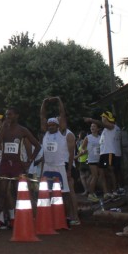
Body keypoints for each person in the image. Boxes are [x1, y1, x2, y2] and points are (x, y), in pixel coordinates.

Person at [39, 97, 79, 226]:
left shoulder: (63, 133)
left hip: (62, 166)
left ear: (58, 126)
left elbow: (62, 114)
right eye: (49, 125)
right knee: (50, 192)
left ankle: (73, 216)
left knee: (67, 193)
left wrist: (58, 101)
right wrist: (44, 103)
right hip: (48, 167)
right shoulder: (46, 134)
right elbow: (42, 116)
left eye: (53, 125)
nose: (50, 126)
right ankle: (55, 216)